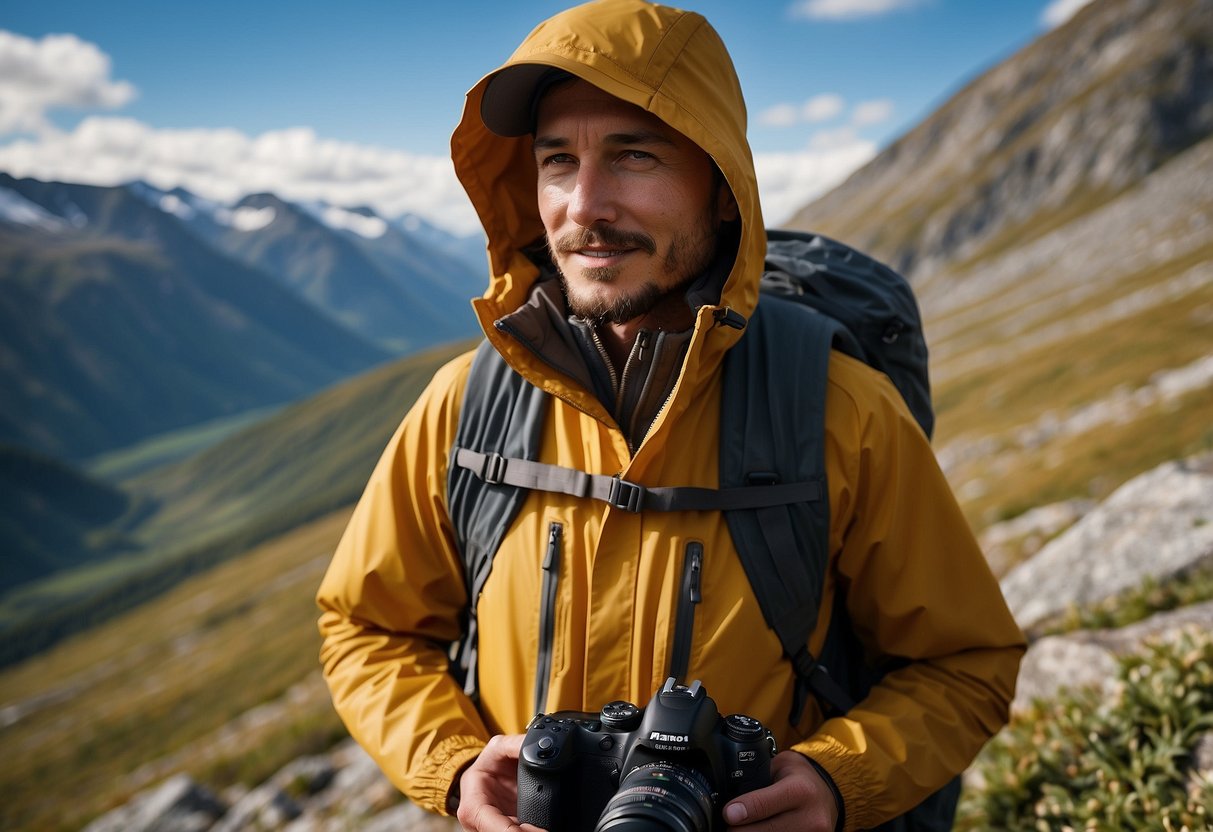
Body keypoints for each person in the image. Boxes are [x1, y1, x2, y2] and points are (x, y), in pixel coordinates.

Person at [316, 1, 1026, 830]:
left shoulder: (839, 410)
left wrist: (837, 782)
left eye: (634, 156)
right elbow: (366, 626)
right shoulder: (464, 406)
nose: (583, 205)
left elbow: (963, 662)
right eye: (555, 161)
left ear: (722, 193)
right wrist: (453, 763)